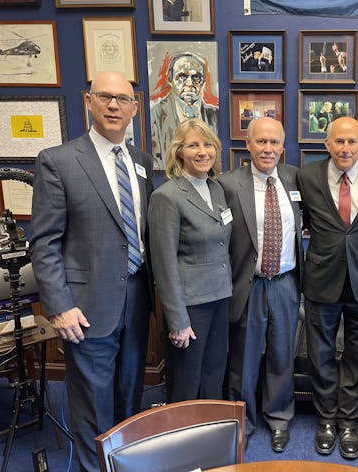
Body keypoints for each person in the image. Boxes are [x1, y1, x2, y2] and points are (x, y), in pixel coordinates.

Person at [29, 71, 153, 472]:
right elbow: (44, 243)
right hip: (85, 307)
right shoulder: (59, 161)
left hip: (136, 300)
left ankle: (124, 463)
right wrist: (60, 305)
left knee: (129, 395)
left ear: (135, 107)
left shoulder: (142, 163)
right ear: (88, 100)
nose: (114, 105)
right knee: (90, 402)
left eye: (122, 99)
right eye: (105, 97)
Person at [296, 117, 358, 459]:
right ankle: (325, 419)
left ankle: (349, 421)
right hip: (322, 280)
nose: (345, 148)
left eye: (352, 142)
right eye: (338, 142)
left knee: (356, 356)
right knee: (320, 355)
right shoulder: (306, 177)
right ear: (327, 145)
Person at [217, 117, 302, 453]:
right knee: (244, 359)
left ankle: (279, 419)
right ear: (248, 145)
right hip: (247, 284)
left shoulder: (296, 179)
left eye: (274, 143)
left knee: (282, 356)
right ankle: (244, 421)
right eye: (261, 142)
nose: (268, 149)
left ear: (283, 147)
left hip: (284, 283)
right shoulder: (226, 184)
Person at [148, 119, 232, 404]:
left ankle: (210, 435)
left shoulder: (217, 189)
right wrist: (177, 320)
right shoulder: (167, 197)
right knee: (186, 379)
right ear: (179, 151)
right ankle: (181, 442)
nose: (202, 151)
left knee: (213, 373)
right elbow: (164, 265)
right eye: (193, 145)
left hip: (220, 297)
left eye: (208, 144)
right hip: (191, 305)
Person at [150, 52, 218, 170]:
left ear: (203, 82)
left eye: (196, 77)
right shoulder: (156, 113)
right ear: (170, 80)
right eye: (182, 77)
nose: (190, 84)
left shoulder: (215, 115)